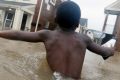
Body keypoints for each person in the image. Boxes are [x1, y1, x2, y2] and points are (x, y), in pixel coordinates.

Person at [0, 1, 114, 80]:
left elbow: (18, 34)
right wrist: (111, 50)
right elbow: (105, 52)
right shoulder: (84, 39)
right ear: (78, 23)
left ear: (55, 19)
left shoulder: (47, 35)